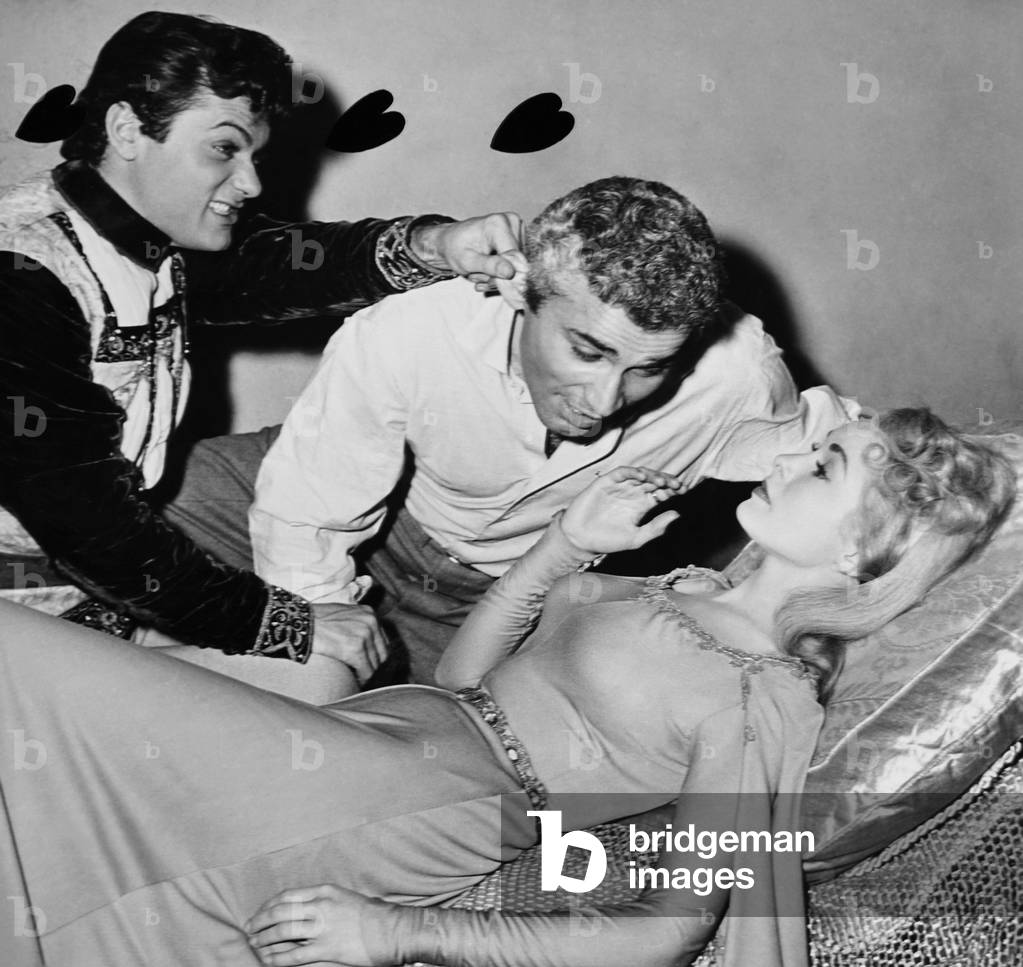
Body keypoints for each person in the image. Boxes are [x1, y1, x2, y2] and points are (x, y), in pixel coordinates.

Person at [0, 408, 1013, 967]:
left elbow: (679, 923)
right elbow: (463, 674)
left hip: (401, 801)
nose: (792, 457)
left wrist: (406, 930)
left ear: (860, 550)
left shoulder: (763, 696)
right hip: (376, 732)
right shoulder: (683, 586)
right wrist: (565, 545)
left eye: (825, 467)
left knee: (28, 668)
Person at [0, 11, 522, 700]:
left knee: (324, 678)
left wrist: (436, 244)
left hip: (81, 595)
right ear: (127, 130)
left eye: (253, 155)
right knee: (319, 677)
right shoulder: (22, 273)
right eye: (223, 149)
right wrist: (285, 622)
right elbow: (87, 523)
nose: (249, 183)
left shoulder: (144, 237)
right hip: (32, 608)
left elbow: (279, 264)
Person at [209, 174, 857, 688]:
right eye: (587, 350)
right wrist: (308, 622)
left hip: (492, 599)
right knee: (285, 662)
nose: (606, 399)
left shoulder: (735, 372)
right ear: (521, 292)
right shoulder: (413, 327)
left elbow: (842, 454)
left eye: (648, 369)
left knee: (369, 754)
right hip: (314, 496)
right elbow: (308, 512)